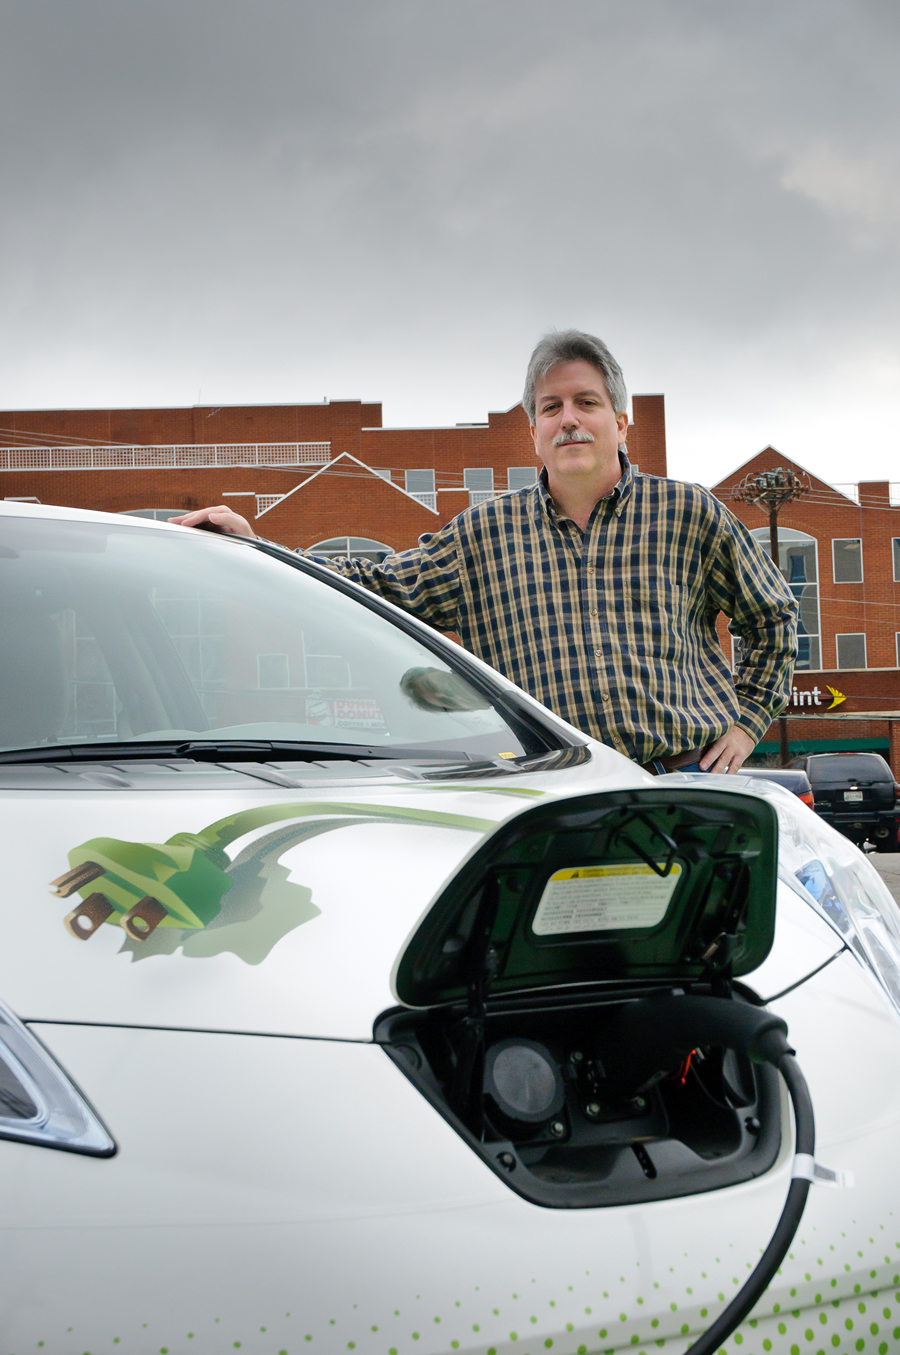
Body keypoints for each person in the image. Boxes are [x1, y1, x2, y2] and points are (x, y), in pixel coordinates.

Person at [173, 330, 798, 774]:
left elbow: (772, 618)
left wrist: (747, 724)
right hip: (552, 790)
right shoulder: (483, 535)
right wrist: (260, 550)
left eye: (587, 402)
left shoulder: (688, 513)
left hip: (683, 781)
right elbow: (376, 586)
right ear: (533, 432)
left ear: (621, 422)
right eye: (550, 408)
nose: (568, 420)